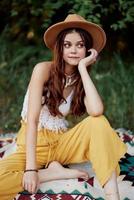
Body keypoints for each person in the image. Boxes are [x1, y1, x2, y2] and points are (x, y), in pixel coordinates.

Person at [0, 14, 127, 200]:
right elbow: (33, 121)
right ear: (60, 47)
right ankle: (51, 173)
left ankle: (112, 194)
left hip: (60, 145)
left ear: (87, 49)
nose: (73, 50)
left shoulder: (80, 79)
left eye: (80, 45)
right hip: (33, 145)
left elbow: (97, 111)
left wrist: (83, 69)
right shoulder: (42, 69)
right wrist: (31, 170)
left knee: (98, 122)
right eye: (67, 45)